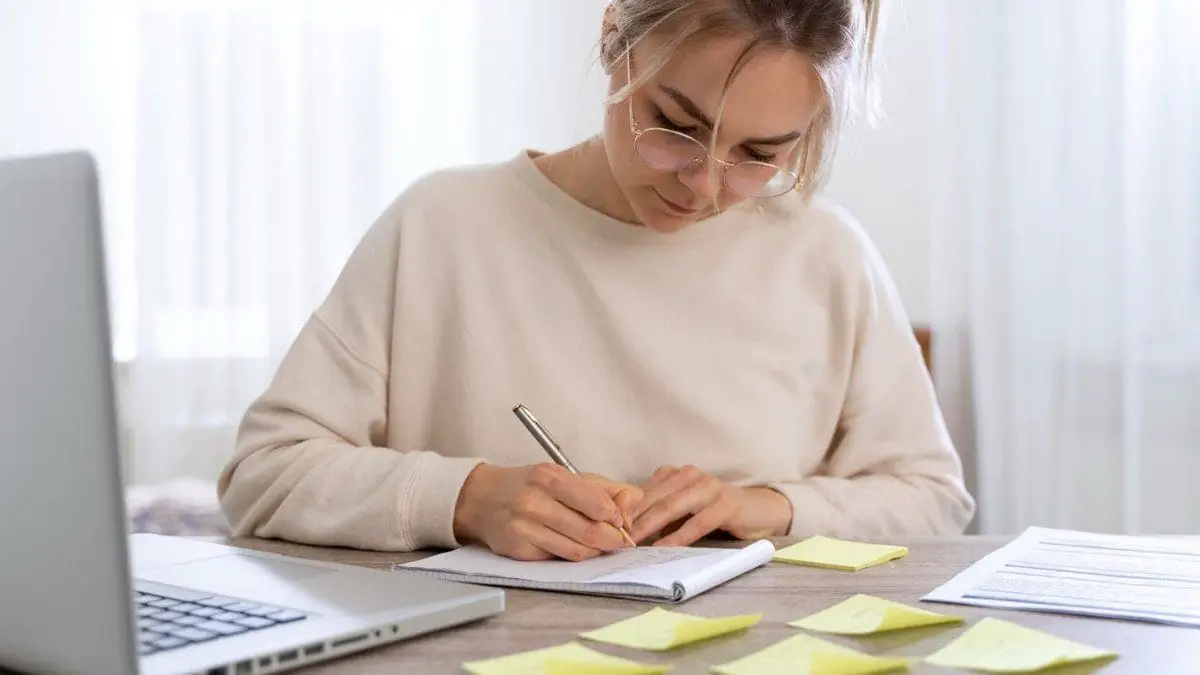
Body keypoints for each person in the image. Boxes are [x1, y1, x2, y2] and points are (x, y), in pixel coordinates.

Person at [218, 0, 975, 562]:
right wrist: (469, 497)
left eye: (759, 152)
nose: (705, 184)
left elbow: (933, 499)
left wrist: (770, 505)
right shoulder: (441, 225)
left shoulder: (827, 256)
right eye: (676, 125)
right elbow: (264, 471)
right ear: (613, 35)